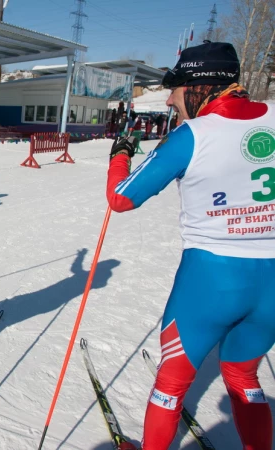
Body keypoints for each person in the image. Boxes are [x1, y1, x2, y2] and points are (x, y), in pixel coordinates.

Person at [106, 41, 274, 450]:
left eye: (176, 87)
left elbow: (121, 198)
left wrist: (120, 156)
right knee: (243, 377)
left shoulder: (192, 134)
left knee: (173, 381)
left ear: (200, 85)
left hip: (211, 281)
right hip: (271, 287)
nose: (169, 98)